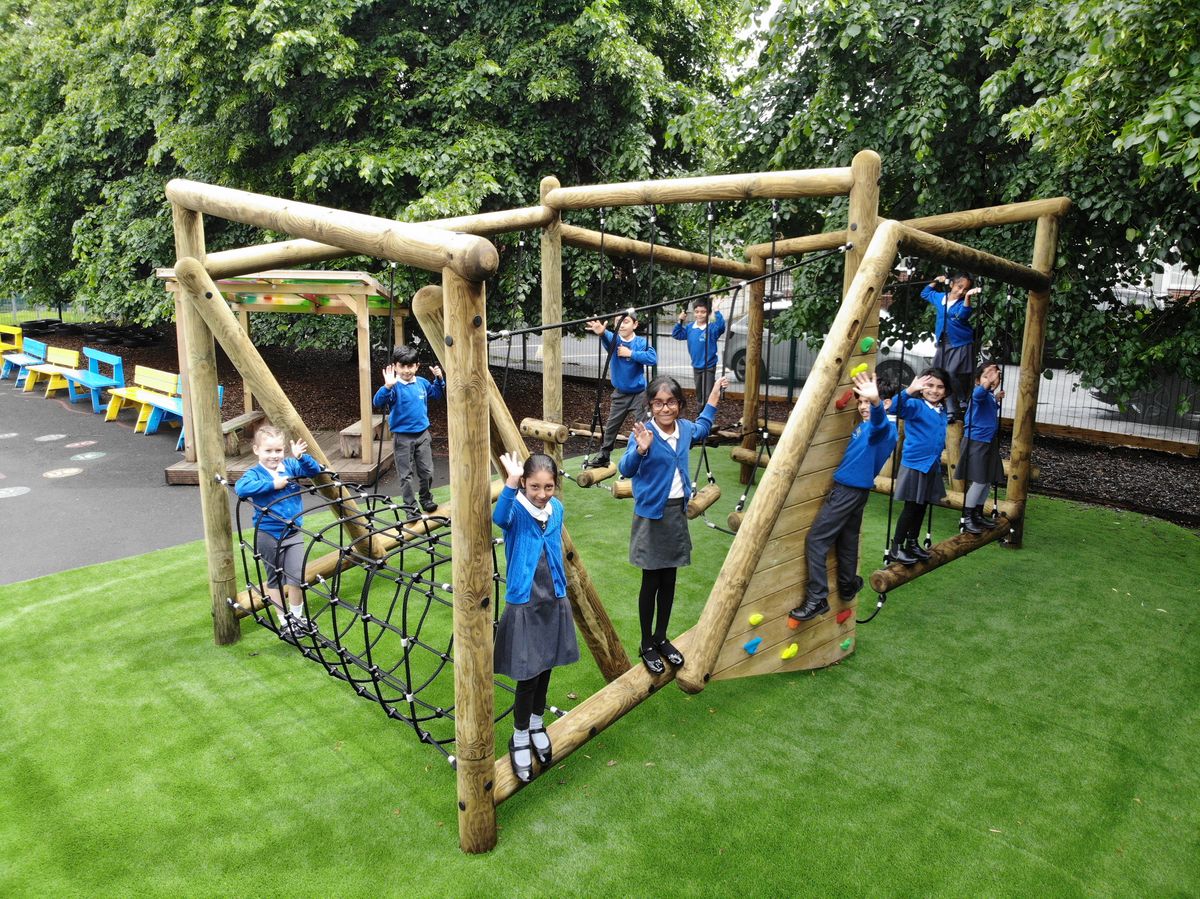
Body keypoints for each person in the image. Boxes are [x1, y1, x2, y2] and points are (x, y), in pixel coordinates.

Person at [618, 373, 728, 674]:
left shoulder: (684, 429)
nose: (665, 409)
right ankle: (646, 643)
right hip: (651, 516)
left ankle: (662, 637)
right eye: (658, 403)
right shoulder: (644, 433)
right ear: (650, 406)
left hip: (675, 515)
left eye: (671, 403)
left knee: (669, 580)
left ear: (679, 404)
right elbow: (625, 468)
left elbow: (704, 426)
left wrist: (716, 393)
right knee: (651, 581)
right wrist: (640, 449)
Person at [493, 451, 579, 783]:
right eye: (534, 487)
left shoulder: (556, 509)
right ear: (525, 485)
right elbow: (499, 517)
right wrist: (511, 485)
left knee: (546, 668)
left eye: (548, 487)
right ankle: (518, 737)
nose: (542, 495)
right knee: (528, 674)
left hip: (552, 597)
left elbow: (554, 546)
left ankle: (536, 723)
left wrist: (561, 589)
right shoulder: (515, 509)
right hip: (525, 601)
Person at [789, 372, 898, 622]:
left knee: (816, 541)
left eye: (868, 402)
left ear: (886, 403)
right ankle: (847, 586)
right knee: (847, 541)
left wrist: (877, 404)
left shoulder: (884, 429)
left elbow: (881, 424)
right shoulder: (864, 426)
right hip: (857, 492)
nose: (862, 407)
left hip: (847, 492)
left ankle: (817, 597)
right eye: (860, 402)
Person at [234, 425, 323, 641]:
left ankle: (298, 617)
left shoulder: (291, 466)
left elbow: (314, 471)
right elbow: (241, 488)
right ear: (257, 450)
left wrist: (302, 457)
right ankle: (285, 622)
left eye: (278, 451)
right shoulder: (254, 474)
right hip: (268, 533)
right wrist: (272, 484)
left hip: (293, 532)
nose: (274, 456)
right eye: (268, 451)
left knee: (297, 577)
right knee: (274, 579)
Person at [889, 367, 951, 566]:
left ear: (946, 391)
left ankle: (912, 542)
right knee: (911, 507)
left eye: (940, 387)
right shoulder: (916, 405)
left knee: (922, 504)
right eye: (930, 385)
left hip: (931, 464)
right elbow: (894, 408)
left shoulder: (941, 411)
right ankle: (896, 547)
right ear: (922, 387)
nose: (934, 390)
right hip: (915, 464)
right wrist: (909, 390)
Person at [373, 346, 444, 513]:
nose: (406, 370)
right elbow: (378, 403)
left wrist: (439, 378)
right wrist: (387, 387)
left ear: (417, 366)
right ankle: (410, 507)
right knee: (406, 475)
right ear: (395, 367)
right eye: (402, 366)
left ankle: (426, 499)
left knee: (427, 471)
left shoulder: (422, 383)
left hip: (423, 435)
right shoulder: (394, 386)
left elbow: (437, 394)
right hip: (402, 437)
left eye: (410, 366)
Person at [584, 312, 657, 468]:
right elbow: (606, 336)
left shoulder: (640, 343)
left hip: (639, 394)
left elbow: (652, 358)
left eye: (625, 322)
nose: (621, 325)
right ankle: (604, 455)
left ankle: (644, 454)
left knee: (642, 425)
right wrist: (602, 332)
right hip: (620, 394)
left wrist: (631, 353)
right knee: (611, 426)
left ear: (635, 325)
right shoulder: (615, 340)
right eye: (618, 322)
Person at [921, 273, 981, 420]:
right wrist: (935, 280)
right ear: (951, 284)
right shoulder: (940, 298)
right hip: (944, 342)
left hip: (960, 343)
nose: (961, 292)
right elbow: (925, 293)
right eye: (959, 287)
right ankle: (949, 409)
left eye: (965, 290)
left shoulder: (962, 303)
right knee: (939, 374)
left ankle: (960, 400)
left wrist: (968, 298)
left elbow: (963, 315)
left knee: (951, 374)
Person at [959, 361, 1006, 534]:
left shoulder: (989, 396)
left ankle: (977, 514)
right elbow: (979, 394)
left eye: (995, 375)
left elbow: (986, 406)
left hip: (988, 442)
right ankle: (966, 518)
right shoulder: (978, 393)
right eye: (987, 375)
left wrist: (996, 399)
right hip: (976, 442)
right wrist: (987, 384)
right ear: (978, 381)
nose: (992, 378)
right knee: (979, 481)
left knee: (986, 481)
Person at [671, 299, 726, 400]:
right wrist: (680, 321)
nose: (699, 315)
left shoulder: (712, 328)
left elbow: (721, 327)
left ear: (708, 313)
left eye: (703, 312)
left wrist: (716, 310)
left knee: (707, 395)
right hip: (696, 366)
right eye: (697, 312)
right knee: (699, 394)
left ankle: (707, 414)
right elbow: (676, 334)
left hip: (708, 367)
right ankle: (700, 413)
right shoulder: (690, 327)